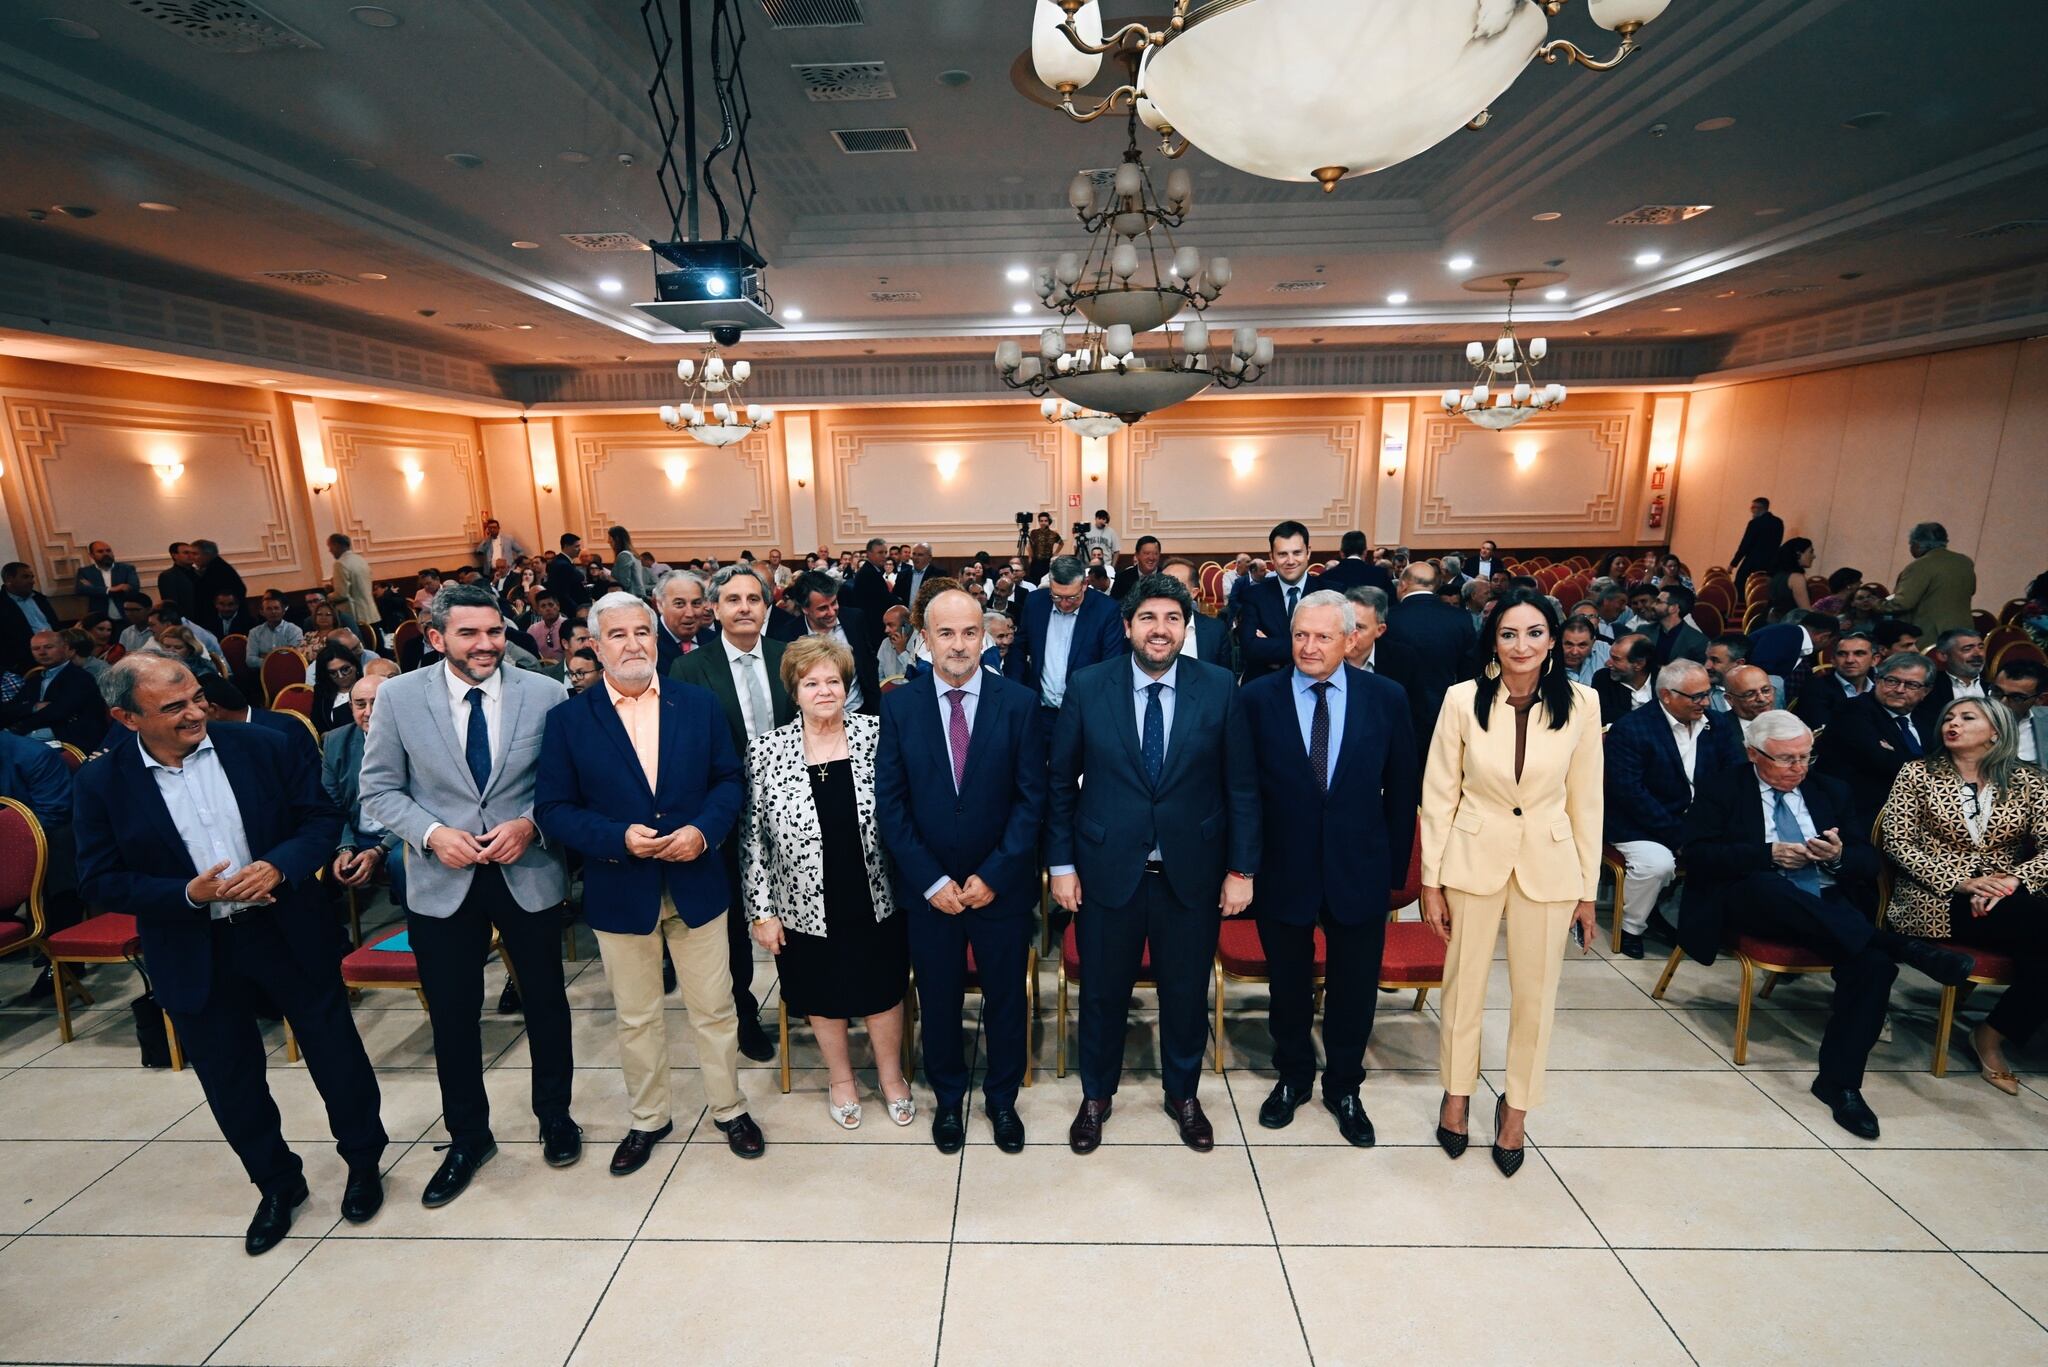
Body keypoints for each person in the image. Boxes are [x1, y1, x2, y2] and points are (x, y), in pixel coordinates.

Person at [73, 654, 387, 1252]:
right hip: (192, 944)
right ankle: (276, 1184)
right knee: (229, 1075)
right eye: (174, 707)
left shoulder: (261, 746)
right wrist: (186, 894)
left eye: (195, 697)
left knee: (334, 1051)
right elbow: (97, 880)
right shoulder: (101, 782)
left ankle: (364, 1162)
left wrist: (279, 867)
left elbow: (321, 820)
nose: (196, 712)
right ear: (126, 717)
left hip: (284, 928)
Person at [359, 583, 580, 1207]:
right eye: (469, 634)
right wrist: (431, 834)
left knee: (545, 1003)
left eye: (494, 632)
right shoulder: (400, 698)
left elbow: (566, 782)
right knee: (454, 1017)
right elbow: (376, 791)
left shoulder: (544, 691)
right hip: (441, 880)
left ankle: (555, 1117)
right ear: (436, 639)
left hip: (526, 870)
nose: (486, 645)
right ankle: (467, 1136)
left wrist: (530, 824)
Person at [536, 592, 764, 1166]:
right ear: (594, 644)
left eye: (642, 631)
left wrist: (703, 832)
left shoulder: (698, 704)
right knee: (637, 1015)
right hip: (621, 887)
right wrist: (617, 838)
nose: (633, 643)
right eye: (617, 635)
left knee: (714, 1007)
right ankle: (648, 1118)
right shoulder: (568, 720)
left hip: (697, 881)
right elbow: (554, 808)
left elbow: (729, 781)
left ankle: (730, 1107)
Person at [1681, 710, 1968, 1138]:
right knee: (1768, 887)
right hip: (1753, 899)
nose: (1798, 768)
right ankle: (1899, 944)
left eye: (1804, 758)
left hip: (1826, 904)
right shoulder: (1723, 786)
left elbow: (1869, 860)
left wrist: (1836, 857)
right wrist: (1768, 855)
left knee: (1873, 968)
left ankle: (1840, 1084)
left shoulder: (1830, 789)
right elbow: (1696, 854)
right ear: (1753, 753)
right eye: (1785, 759)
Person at [1049, 572, 1259, 1153]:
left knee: (1186, 993)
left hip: (1190, 873)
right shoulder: (1089, 685)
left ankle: (1183, 1095)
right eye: (1147, 618)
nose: (1159, 629)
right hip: (1104, 870)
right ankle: (1096, 1096)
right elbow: (1060, 783)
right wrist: (1061, 865)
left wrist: (1241, 870)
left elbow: (1241, 786)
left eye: (1171, 619)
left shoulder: (1218, 686)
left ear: (1187, 628)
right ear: (1127, 627)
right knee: (1102, 994)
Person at [1420, 589, 1601, 1177]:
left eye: (1533, 633)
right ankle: (1456, 1096)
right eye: (1508, 634)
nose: (1521, 645)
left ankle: (1516, 1109)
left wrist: (1586, 890)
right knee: (1463, 986)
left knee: (1535, 998)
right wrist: (1431, 881)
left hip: (1549, 864)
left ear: (1553, 639)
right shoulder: (1461, 699)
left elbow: (1587, 803)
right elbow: (1439, 793)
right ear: (1492, 641)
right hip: (1474, 855)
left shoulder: (1584, 703)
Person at [1240, 590, 1417, 1144]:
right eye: (1300, 635)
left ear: (1350, 639)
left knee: (1354, 987)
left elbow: (1403, 789)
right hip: (1283, 870)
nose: (1308, 647)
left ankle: (1344, 1085)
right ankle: (1292, 1076)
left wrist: (1391, 872)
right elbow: (1243, 790)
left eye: (1322, 636)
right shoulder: (1256, 697)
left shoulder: (1386, 698)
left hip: (1357, 869)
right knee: (1288, 986)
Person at [875, 589, 1046, 1152]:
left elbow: (1030, 802)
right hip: (932, 893)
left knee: (1005, 998)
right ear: (925, 640)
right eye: (945, 633)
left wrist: (995, 874)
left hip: (1001, 887)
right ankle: (948, 1099)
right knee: (940, 997)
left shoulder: (1018, 703)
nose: (958, 644)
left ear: (986, 637)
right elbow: (891, 807)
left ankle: (1001, 1100)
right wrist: (931, 881)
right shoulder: (899, 707)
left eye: (969, 632)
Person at [743, 635, 911, 1130]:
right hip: (801, 901)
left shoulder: (878, 735)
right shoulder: (765, 750)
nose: (823, 691)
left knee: (883, 988)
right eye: (810, 682)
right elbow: (752, 839)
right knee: (823, 990)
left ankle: (891, 1075)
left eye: (832, 681)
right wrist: (762, 909)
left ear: (847, 686)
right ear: (793, 691)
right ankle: (841, 1079)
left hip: (875, 892)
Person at [1879, 697, 2048, 1096]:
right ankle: (1995, 1036)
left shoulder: (2031, 780)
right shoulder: (1917, 773)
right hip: (1934, 897)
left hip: (2009, 895)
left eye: (1967, 718)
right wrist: (1960, 881)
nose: (1952, 723)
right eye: (1949, 716)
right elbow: (1897, 842)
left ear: (1996, 731)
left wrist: (2011, 881)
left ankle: (1992, 1031)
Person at [672, 564, 792, 1061]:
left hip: (789, 809)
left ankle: (803, 998)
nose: (745, 608)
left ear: (766, 607)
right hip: (723, 813)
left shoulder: (790, 658)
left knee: (794, 908)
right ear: (714, 609)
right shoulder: (689, 669)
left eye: (754, 599)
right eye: (733, 600)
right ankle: (744, 1012)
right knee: (737, 919)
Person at [1603, 660, 1744, 957]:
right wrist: (1678, 836)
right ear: (1667, 695)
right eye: (1696, 697)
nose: (1705, 702)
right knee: (1658, 865)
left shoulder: (1717, 725)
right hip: (1640, 824)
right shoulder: (1632, 728)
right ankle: (1632, 927)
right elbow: (1630, 794)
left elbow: (1733, 777)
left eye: (1708, 693)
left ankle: (1698, 923)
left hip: (1701, 821)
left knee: (1741, 851)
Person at [1819, 650, 1936, 830]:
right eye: (1892, 681)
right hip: (1869, 812)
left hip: (1924, 808)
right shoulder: (1852, 711)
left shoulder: (1929, 718)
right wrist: (1936, 766)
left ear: (1926, 692)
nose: (1899, 690)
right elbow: (1884, 762)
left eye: (1911, 684)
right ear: (1878, 680)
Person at [1011, 556, 1127, 720]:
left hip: (1085, 714)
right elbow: (1019, 649)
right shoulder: (1035, 602)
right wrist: (1019, 691)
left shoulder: (1106, 610)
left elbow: (1112, 664)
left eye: (1072, 597)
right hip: (1039, 711)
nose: (1064, 604)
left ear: (1085, 584)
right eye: (1057, 596)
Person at [324, 673, 403, 908]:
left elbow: (421, 802)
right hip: (357, 833)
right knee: (309, 852)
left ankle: (418, 930)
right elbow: (331, 803)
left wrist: (380, 850)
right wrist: (345, 846)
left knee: (401, 862)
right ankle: (337, 938)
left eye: (377, 702)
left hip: (403, 835)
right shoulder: (336, 741)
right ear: (350, 707)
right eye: (360, 704)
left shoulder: (412, 739)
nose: (368, 712)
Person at [1384, 560, 1478, 741]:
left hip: (1397, 714)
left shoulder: (1389, 618)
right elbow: (1469, 673)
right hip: (1446, 712)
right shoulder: (1460, 618)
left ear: (1403, 585)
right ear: (1436, 585)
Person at [772, 569, 881, 716]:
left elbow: (868, 664)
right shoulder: (787, 636)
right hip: (812, 720)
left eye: (834, 603)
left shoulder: (855, 619)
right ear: (805, 608)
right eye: (823, 608)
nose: (831, 612)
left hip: (859, 712)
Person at [1237, 520, 1319, 682]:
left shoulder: (1330, 593)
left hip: (1317, 684)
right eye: (1282, 554)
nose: (1290, 561)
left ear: (1308, 552)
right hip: (1266, 685)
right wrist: (1311, 647)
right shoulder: (1253, 595)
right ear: (1271, 557)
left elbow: (1337, 646)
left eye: (1297, 553)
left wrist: (1271, 646)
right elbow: (1250, 648)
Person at [1, 630, 108, 751]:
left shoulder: (80, 677)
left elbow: (59, 712)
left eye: (48, 647)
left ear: (66, 648)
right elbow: (6, 711)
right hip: (37, 736)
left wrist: (20, 726)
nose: (42, 652)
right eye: (36, 649)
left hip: (72, 741)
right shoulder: (35, 680)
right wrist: (33, 707)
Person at [1883, 521, 1976, 639]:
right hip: (1964, 631)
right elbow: (1972, 590)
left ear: (1916, 544)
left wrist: (1877, 604)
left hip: (1932, 634)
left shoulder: (1920, 565)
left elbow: (1903, 603)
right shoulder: (1964, 562)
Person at [1796, 629, 1878, 730]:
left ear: (1874, 660)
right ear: (1833, 660)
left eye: (1859, 653)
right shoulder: (1815, 690)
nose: (1850, 660)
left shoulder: (1881, 690)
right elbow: (1822, 733)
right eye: (1842, 654)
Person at [1160, 559, 1230, 663]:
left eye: (1175, 586)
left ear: (1194, 593)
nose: (1166, 591)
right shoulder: (1145, 629)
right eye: (1162, 585)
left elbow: (1223, 676)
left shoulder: (1215, 630)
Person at [0, 562, 58, 675]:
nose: (32, 581)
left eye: (32, 577)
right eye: (25, 577)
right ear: (9, 579)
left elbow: (54, 624)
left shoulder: (39, 598)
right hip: (25, 663)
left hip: (57, 654)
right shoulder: (2, 605)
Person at [1919, 627, 1988, 721]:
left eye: (1981, 647)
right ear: (1943, 655)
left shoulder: (1994, 689)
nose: (1978, 654)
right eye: (1967, 649)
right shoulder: (1929, 689)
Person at [1990, 659, 2048, 765]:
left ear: (2040, 699)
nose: (2002, 703)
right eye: (1997, 692)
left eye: (2016, 697)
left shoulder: (2045, 720)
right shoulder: (1968, 719)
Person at [653, 569, 711, 672]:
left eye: (696, 603)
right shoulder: (648, 645)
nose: (690, 613)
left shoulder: (714, 640)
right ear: (660, 605)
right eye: (679, 604)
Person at [73, 541, 141, 619]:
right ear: (91, 555)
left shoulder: (126, 569)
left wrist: (94, 589)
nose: (106, 554)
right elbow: (81, 590)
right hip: (99, 618)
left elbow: (134, 588)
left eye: (108, 550)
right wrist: (110, 590)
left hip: (125, 617)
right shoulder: (85, 572)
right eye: (100, 551)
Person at [1595, 632, 1652, 725]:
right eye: (1610, 656)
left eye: (1616, 659)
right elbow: (1605, 715)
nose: (1607, 663)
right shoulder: (1602, 679)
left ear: (1639, 664)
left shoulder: (1664, 681)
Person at [1729, 496, 1786, 583]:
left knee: (1740, 587)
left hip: (1752, 563)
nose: (1751, 510)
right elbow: (1778, 542)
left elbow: (1745, 545)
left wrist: (1733, 564)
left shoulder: (1755, 523)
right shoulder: (1778, 522)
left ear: (1760, 508)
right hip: (1770, 564)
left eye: (1753, 507)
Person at [1648, 585, 1709, 666]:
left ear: (1673, 608)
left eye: (1658, 602)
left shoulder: (1697, 641)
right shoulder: (1644, 631)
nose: (1652, 606)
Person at [245, 592, 305, 670]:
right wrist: (275, 660)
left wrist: (264, 657)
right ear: (262, 612)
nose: (273, 612)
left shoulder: (294, 630)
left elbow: (293, 658)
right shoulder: (254, 632)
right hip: (262, 674)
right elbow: (250, 660)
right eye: (269, 609)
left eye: (276, 608)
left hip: (288, 672)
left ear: (283, 611)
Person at [328, 533, 377, 627]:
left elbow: (341, 594)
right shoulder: (360, 559)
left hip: (354, 614)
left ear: (337, 545)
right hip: (370, 612)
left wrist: (329, 595)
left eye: (330, 546)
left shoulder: (340, 564)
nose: (330, 550)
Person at [1767, 538, 1817, 620]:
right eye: (1810, 552)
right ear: (1798, 554)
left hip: (1773, 622)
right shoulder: (1797, 578)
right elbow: (1805, 611)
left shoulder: (1776, 575)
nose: (1814, 556)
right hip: (1790, 625)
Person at [547, 533, 591, 612]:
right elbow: (563, 593)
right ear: (567, 546)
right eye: (576, 546)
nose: (579, 549)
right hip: (572, 610)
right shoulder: (563, 565)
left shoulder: (561, 562)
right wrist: (577, 610)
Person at [876, 604, 917, 684]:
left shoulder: (922, 643)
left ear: (906, 626)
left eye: (890, 625)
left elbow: (919, 679)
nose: (886, 630)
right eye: (885, 625)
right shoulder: (885, 643)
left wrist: (902, 652)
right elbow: (878, 678)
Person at [608, 524, 649, 600]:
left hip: (630, 598)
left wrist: (608, 577)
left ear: (616, 539)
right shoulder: (632, 554)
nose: (608, 541)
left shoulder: (624, 555)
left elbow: (624, 584)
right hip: (637, 597)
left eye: (609, 538)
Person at [892, 542, 937, 606]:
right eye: (914, 554)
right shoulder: (902, 575)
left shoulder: (938, 575)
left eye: (920, 555)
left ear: (929, 558)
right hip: (906, 614)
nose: (916, 557)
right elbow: (896, 596)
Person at [1025, 512, 1063, 581]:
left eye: (1045, 521)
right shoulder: (1034, 532)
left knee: (1047, 580)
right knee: (1034, 579)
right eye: (1041, 521)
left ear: (1049, 522)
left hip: (1047, 561)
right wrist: (1030, 556)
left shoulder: (1053, 534)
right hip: (1036, 561)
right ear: (1039, 522)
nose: (1043, 523)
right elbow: (1029, 544)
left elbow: (1061, 543)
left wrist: (1055, 553)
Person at [981, 610, 1017, 675]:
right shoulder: (973, 666)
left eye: (1007, 635)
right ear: (984, 636)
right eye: (1000, 636)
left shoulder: (1016, 662)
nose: (1006, 642)